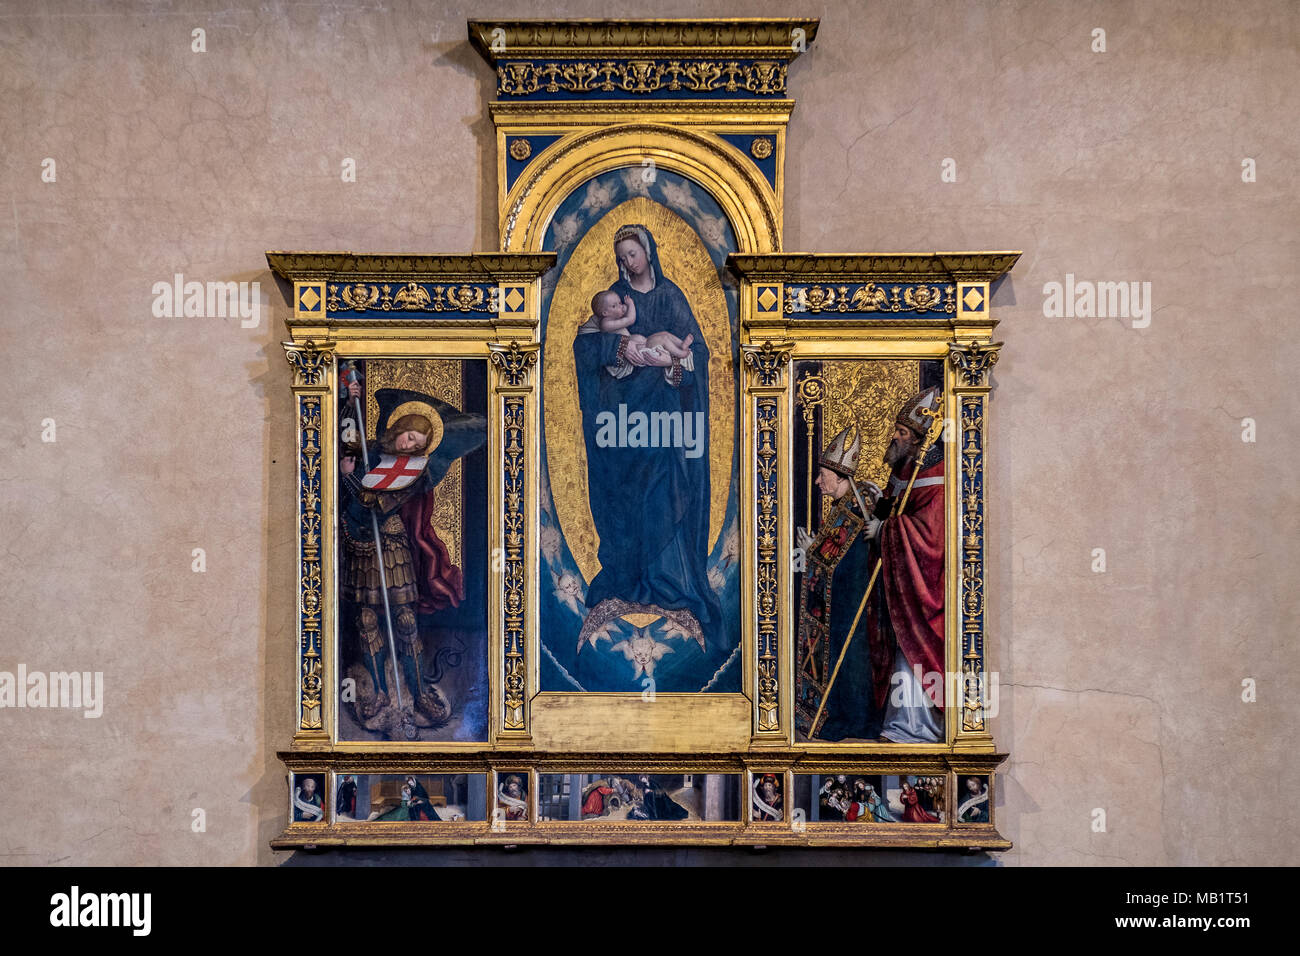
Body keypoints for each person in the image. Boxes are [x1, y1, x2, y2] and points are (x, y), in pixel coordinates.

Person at [572, 223, 718, 656]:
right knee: (627, 499)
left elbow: (701, 355)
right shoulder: (615, 302)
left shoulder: (670, 296)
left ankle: (667, 581)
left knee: (665, 494)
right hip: (623, 423)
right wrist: (620, 350)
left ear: (648, 253)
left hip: (666, 425)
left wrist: (671, 366)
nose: (626, 263)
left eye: (632, 254)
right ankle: (629, 577)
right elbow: (583, 346)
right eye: (621, 257)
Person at [338, 383, 486, 730]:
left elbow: (375, 504)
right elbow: (349, 441)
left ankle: (419, 692)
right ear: (398, 431)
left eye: (419, 443)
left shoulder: (415, 472)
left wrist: (350, 480)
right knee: (367, 622)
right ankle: (376, 694)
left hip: (391, 546)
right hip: (360, 548)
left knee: (405, 621)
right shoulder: (372, 452)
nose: (410, 445)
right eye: (409, 437)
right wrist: (351, 400)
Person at [864, 387, 946, 743]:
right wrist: (877, 506)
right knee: (901, 647)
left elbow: (931, 535)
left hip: (924, 589)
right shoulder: (905, 469)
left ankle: (918, 729)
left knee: (915, 652)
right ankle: (900, 725)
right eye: (896, 430)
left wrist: (886, 529)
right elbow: (891, 505)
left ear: (918, 440)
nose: (894, 437)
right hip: (900, 585)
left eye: (902, 433)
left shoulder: (938, 476)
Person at [794, 425, 884, 741]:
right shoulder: (842, 509)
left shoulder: (854, 510)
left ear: (841, 477)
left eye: (822, 475)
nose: (818, 481)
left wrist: (810, 552)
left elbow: (842, 562)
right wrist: (815, 551)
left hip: (850, 604)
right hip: (841, 604)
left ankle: (852, 722)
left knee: (850, 662)